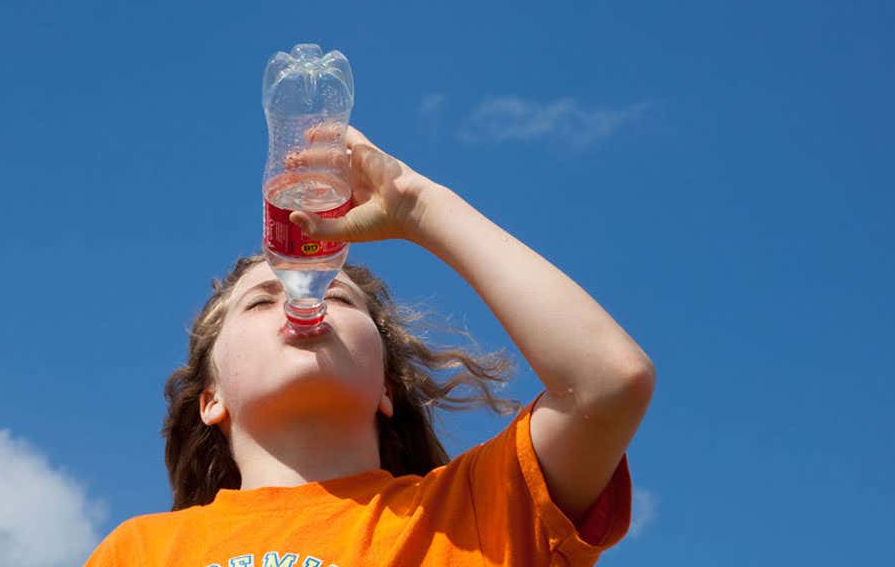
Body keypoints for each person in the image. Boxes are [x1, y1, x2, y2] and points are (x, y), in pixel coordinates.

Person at [85, 125, 654, 567]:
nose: (301, 299)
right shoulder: (142, 550)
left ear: (385, 385)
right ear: (211, 399)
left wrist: (418, 206)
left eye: (340, 295)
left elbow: (607, 383)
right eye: (260, 300)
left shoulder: (474, 513)